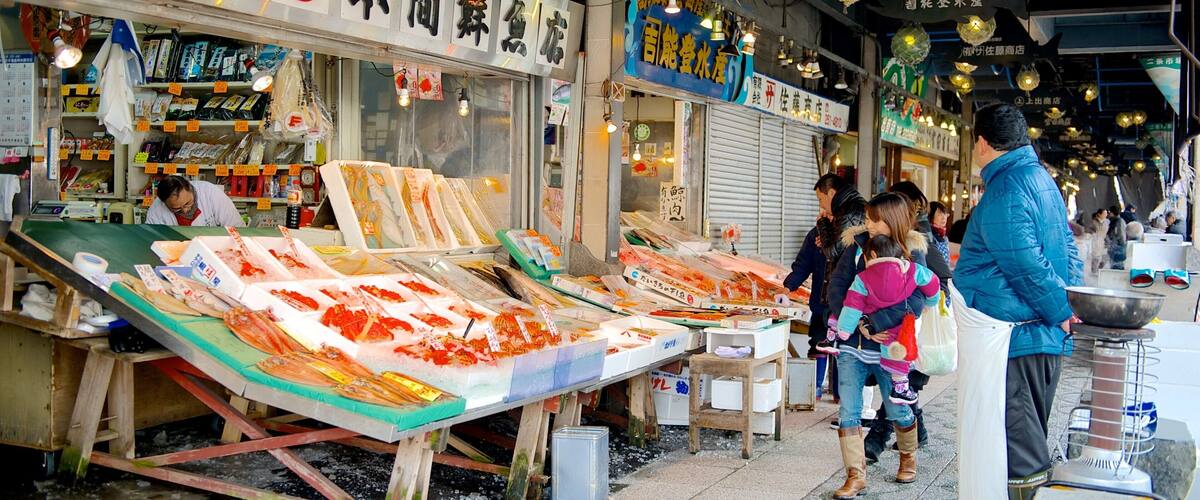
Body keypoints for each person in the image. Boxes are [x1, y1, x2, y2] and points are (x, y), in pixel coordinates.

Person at [952, 103, 1082, 500]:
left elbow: (1025, 263)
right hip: (1037, 337)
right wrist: (1071, 304)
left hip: (1012, 341)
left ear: (982, 142)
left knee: (1018, 451)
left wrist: (1062, 310)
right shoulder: (1041, 180)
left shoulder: (1006, 188)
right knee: (1025, 438)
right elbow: (1068, 250)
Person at [826, 192, 929, 499]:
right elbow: (837, 286)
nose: (868, 224)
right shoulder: (857, 246)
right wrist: (858, 324)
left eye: (875, 219)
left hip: (891, 348)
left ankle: (908, 456)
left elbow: (916, 300)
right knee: (849, 410)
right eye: (868, 218)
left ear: (892, 221)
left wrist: (876, 323)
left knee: (898, 409)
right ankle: (855, 476)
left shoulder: (912, 250)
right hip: (852, 346)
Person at [831, 234, 941, 405]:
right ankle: (900, 387)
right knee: (898, 351)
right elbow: (933, 283)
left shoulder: (863, 278)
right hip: (899, 325)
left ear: (873, 255)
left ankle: (831, 334)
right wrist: (931, 302)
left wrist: (845, 329)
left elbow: (852, 305)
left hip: (869, 324)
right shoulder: (912, 270)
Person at [783, 217, 830, 395]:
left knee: (843, 351)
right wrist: (788, 287)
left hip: (845, 307)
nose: (822, 213)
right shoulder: (814, 234)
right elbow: (803, 265)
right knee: (818, 342)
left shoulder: (853, 235)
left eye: (826, 209)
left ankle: (840, 394)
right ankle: (814, 389)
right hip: (820, 303)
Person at [145, 176, 245, 227]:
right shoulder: (156, 210)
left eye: (188, 203)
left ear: (190, 188)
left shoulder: (210, 192)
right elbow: (151, 239)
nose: (185, 210)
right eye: (177, 208)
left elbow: (237, 227)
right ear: (164, 203)